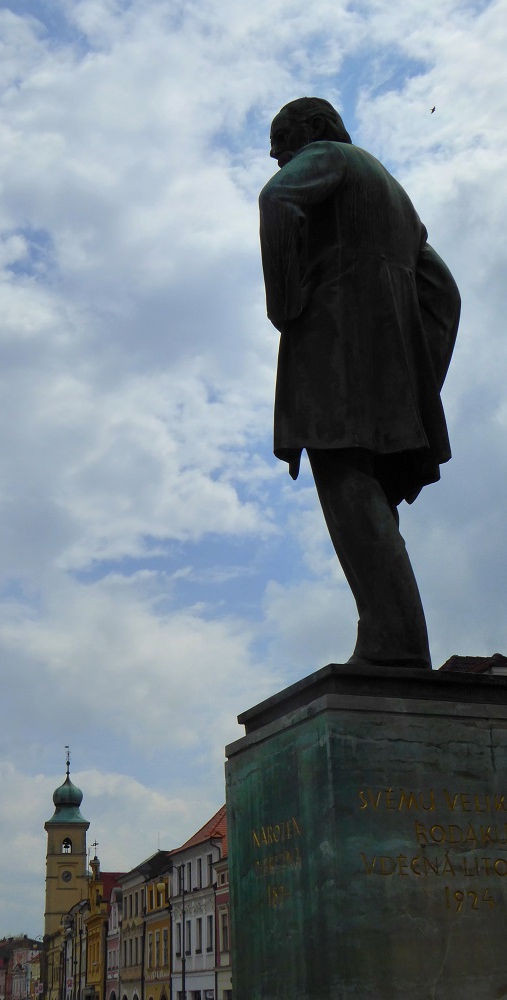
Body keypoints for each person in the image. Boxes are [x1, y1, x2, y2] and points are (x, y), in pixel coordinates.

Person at [259, 97, 460, 669]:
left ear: (317, 130)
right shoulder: (397, 197)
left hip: (331, 347)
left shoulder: (330, 156)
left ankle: (394, 644)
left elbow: (276, 201)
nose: (282, 166)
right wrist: (422, 379)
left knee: (343, 478)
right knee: (368, 494)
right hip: (389, 367)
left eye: (284, 150)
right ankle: (390, 635)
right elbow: (443, 292)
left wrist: (286, 302)